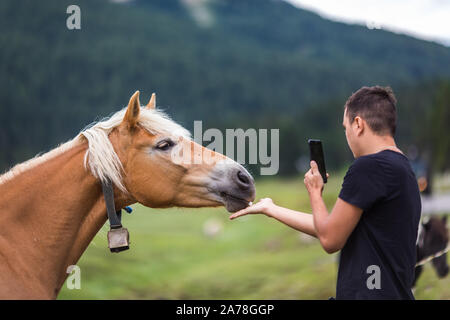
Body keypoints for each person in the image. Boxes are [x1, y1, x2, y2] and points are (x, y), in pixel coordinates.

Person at [230, 86, 421, 299]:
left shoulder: (369, 166)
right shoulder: (403, 169)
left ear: (358, 124)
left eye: (345, 127)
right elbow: (332, 228)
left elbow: (330, 239)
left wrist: (315, 192)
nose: (346, 134)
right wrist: (271, 209)